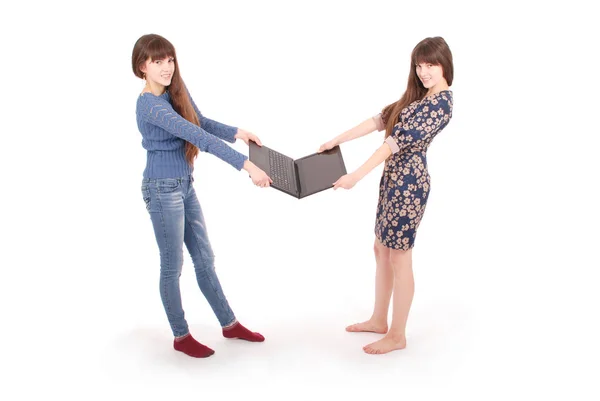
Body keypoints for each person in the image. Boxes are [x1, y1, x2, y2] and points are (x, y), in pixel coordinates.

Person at [132, 34, 272, 358]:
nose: (167, 67)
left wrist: (238, 133)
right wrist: (247, 166)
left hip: (184, 185)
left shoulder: (174, 91)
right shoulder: (149, 106)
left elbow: (202, 121)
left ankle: (229, 323)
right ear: (142, 67)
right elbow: (196, 135)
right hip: (161, 187)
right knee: (172, 265)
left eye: (170, 60)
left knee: (205, 259)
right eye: (158, 62)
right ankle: (181, 336)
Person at [318, 37, 454, 354]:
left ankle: (397, 334)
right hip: (392, 179)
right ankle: (379, 319)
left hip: (409, 183)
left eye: (430, 65)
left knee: (399, 255)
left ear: (444, 64)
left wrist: (355, 176)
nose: (423, 72)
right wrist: (335, 141)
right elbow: (380, 121)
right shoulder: (417, 96)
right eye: (419, 65)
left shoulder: (441, 103)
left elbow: (394, 142)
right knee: (381, 248)